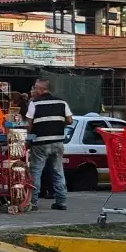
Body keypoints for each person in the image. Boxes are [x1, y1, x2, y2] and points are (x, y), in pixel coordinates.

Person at [26, 78, 72, 211]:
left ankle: (33, 202)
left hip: (40, 143)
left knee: (36, 171)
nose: (33, 90)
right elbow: (69, 120)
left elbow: (29, 125)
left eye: (35, 88)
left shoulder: (34, 104)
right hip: (58, 142)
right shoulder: (61, 102)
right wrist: (57, 123)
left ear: (41, 89)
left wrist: (29, 141)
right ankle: (61, 201)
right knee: (58, 171)